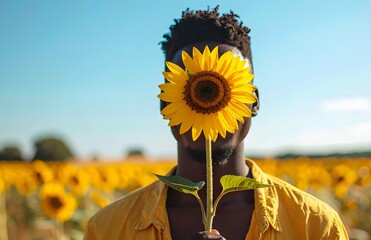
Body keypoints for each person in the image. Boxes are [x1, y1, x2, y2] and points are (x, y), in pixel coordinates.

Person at [84, 6, 349, 240]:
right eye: (197, 90)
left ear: (253, 102)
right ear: (166, 104)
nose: (208, 107)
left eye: (223, 89)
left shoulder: (316, 227)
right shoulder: (108, 229)